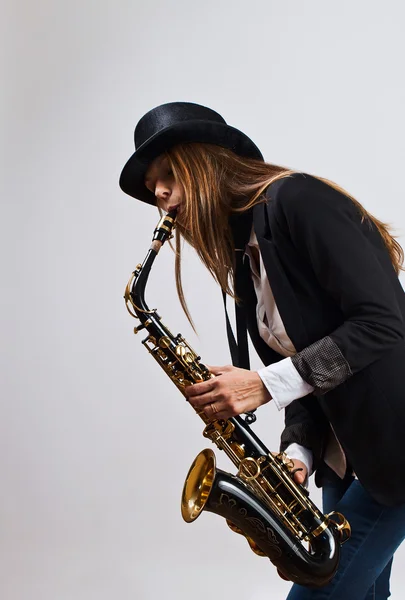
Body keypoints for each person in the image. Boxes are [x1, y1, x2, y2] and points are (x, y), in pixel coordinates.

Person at [119, 101, 405, 599]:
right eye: (152, 189)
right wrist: (298, 451)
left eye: (168, 173)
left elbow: (384, 324)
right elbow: (311, 372)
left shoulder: (298, 199)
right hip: (346, 456)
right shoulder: (247, 262)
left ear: (209, 160)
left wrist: (262, 385)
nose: (160, 194)